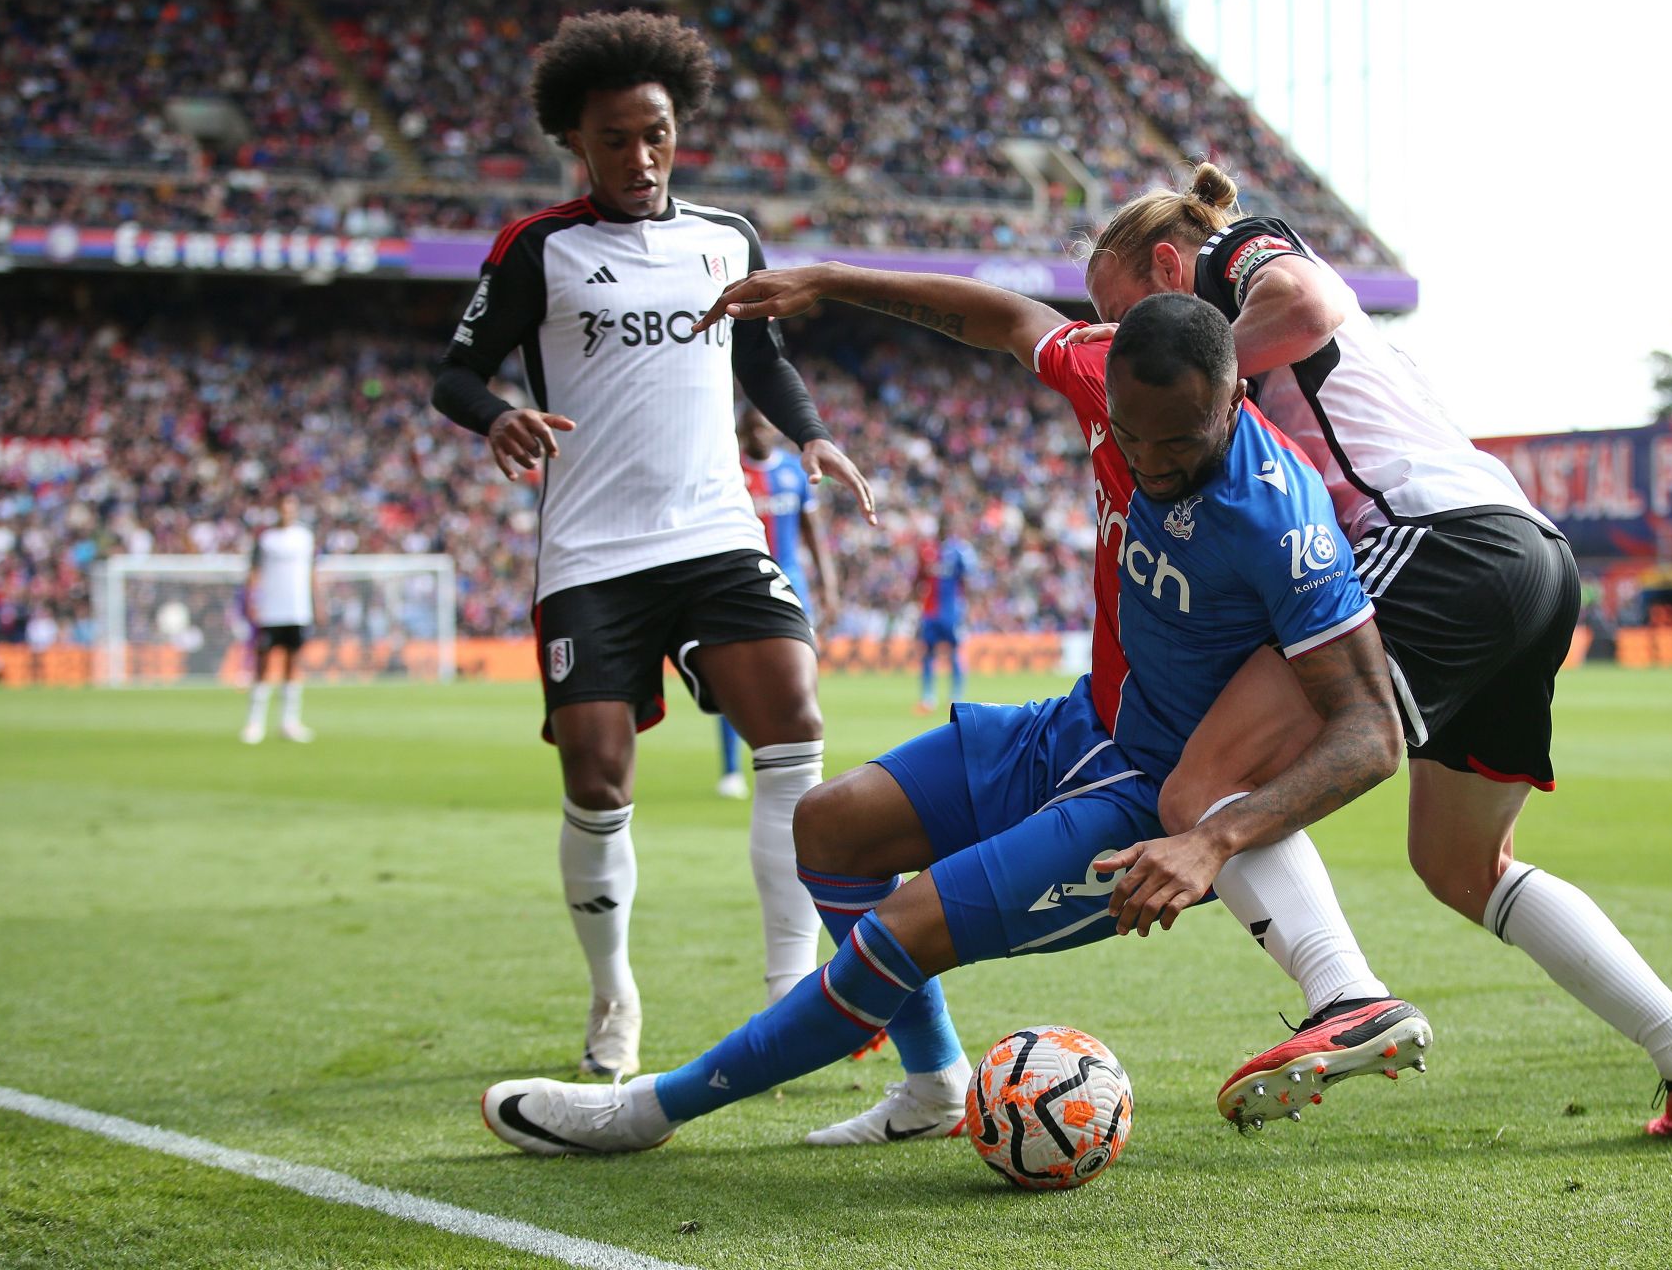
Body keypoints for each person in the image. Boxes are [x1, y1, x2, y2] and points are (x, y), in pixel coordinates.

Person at [480, 292, 1434, 1156]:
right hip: (1075, 726)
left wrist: (1212, 839)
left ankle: (649, 1112)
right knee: (829, 826)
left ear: (1233, 402)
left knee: (899, 930)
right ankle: (934, 1081)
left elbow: (1369, 733)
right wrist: (833, 279)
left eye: (1177, 444)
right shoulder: (1120, 388)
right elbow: (1005, 320)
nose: (1146, 463)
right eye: (1131, 439)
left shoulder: (1280, 519)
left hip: (1141, 798)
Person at [1079, 163, 1672, 1137]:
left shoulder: (1230, 258)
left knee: (1199, 792)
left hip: (1435, 543)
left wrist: (1198, 384)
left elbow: (1309, 302)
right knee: (1461, 861)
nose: (1120, 354)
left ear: (1165, 262)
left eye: (1120, 316)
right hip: (1525, 557)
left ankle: (1347, 995)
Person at [429, 10, 877, 1081]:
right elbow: (453, 372)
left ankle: (788, 992)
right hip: (592, 549)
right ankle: (613, 989)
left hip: (716, 529)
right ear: (576, 142)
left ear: (681, 130)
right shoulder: (537, 248)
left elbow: (759, 356)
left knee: (796, 723)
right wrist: (496, 417)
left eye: (657, 134)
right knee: (596, 773)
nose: (640, 157)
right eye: (617, 138)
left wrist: (815, 437)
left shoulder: (727, 237)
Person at [715, 403, 842, 801]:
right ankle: (731, 769)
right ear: (741, 433)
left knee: (799, 676)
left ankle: (799, 768)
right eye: (752, 428)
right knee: (730, 676)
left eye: (766, 427)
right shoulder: (728, 473)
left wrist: (830, 585)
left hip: (791, 583)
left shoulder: (793, 472)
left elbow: (812, 533)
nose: (759, 434)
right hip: (739, 583)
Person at [241, 494, 315, 745]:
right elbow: (253, 572)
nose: (287, 512)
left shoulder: (305, 537)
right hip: (271, 609)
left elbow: (313, 571)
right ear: (277, 510)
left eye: (291, 507)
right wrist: (252, 601)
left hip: (298, 609)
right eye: (283, 507)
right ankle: (255, 722)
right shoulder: (266, 539)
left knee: (293, 665)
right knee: (263, 664)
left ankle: (289, 722)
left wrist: (318, 601)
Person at [912, 509, 976, 714]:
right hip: (931, 611)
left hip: (951, 611)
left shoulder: (959, 551)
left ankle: (955, 696)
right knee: (928, 653)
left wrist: (967, 606)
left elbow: (967, 580)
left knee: (954, 651)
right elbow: (918, 579)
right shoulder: (927, 550)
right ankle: (928, 698)